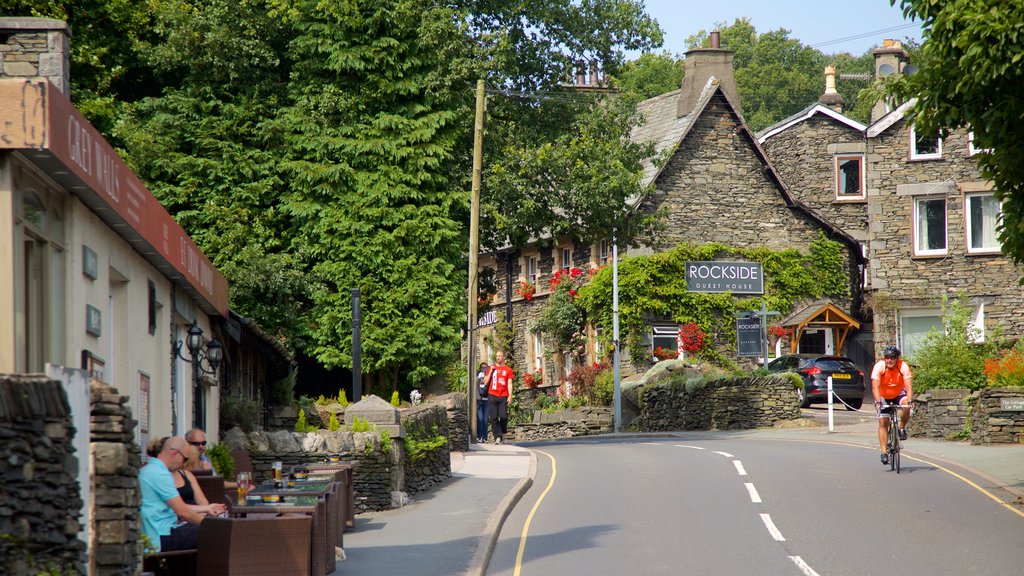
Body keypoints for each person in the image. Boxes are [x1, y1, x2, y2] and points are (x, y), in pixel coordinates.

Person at [140, 436, 222, 552]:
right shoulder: (159, 474)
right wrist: (207, 525)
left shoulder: (150, 469)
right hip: (160, 537)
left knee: (208, 529)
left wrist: (207, 508)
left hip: (159, 532)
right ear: (174, 453)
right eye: (185, 459)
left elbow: (178, 506)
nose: (184, 464)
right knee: (218, 532)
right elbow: (183, 511)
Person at [872, 345, 914, 465]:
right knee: (883, 422)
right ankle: (884, 453)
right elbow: (875, 387)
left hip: (899, 393)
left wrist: (910, 401)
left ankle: (901, 428)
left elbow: (909, 386)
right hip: (883, 395)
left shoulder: (903, 367)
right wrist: (878, 402)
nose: (889, 360)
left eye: (892, 358)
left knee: (906, 405)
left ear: (897, 358)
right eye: (887, 358)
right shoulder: (879, 367)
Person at [486, 351, 514, 444]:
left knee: (503, 416)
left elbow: (509, 383)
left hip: (503, 396)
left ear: (503, 358)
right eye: (497, 356)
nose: (498, 358)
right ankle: (497, 437)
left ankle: (503, 432)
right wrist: (490, 371)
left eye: (499, 356)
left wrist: (510, 396)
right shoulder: (491, 368)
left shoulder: (508, 369)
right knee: (493, 417)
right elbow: (485, 382)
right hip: (492, 395)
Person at [476, 362, 490, 443]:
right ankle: (479, 436)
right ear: (480, 368)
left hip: (486, 400)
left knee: (485, 419)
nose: (484, 369)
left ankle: (485, 437)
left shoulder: (488, 378)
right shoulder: (478, 377)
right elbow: (475, 388)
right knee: (480, 419)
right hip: (478, 400)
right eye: (482, 367)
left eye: (485, 367)